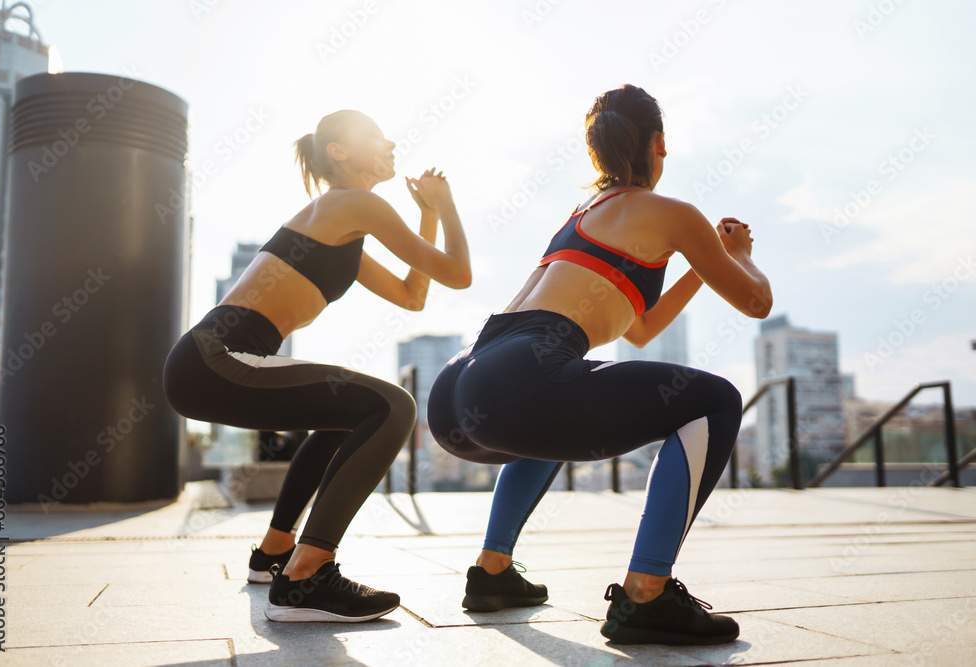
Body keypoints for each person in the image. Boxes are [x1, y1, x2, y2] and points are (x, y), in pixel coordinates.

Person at [426, 83, 772, 645]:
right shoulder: (675, 213)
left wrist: (704, 266)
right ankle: (647, 595)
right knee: (716, 399)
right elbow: (757, 302)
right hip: (524, 376)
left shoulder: (582, 214)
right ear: (658, 143)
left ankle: (492, 575)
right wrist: (740, 258)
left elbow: (641, 328)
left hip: (462, 385)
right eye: (663, 145)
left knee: (555, 417)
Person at [162, 109, 471, 622]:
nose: (391, 141)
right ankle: (306, 577)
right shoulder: (357, 204)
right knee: (393, 405)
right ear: (340, 151)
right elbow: (458, 274)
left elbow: (413, 296)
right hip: (217, 358)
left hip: (211, 361)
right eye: (377, 135)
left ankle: (275, 555)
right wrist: (448, 203)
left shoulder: (346, 221)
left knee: (344, 414)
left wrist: (429, 215)